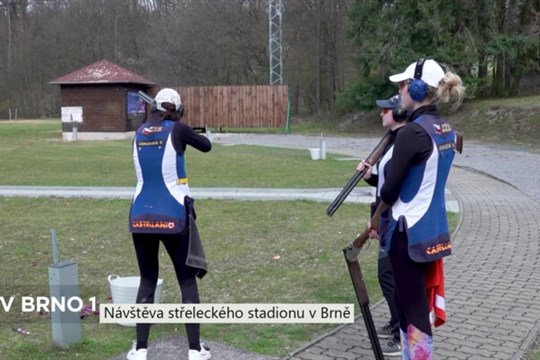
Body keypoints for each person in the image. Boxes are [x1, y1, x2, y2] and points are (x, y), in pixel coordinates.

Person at [370, 58, 465, 359]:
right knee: (408, 301)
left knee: (413, 308)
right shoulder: (446, 128)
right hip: (432, 231)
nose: (400, 90)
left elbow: (388, 190)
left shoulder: (413, 132)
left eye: (403, 84)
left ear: (418, 87)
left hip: (406, 233)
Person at [127, 88, 212, 360]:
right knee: (186, 281)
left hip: (140, 217)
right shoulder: (178, 129)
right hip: (174, 217)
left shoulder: (139, 133)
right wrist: (179, 126)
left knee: (147, 280)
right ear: (176, 109)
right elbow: (206, 145)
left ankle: (140, 349)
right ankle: (195, 349)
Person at [356, 94, 408, 357]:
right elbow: (385, 183)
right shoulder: (391, 141)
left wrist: (376, 217)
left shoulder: (402, 143)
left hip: (395, 220)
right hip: (386, 217)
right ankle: (396, 322)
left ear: (398, 112)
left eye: (386, 110)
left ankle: (402, 334)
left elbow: (395, 188)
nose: (381, 114)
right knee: (387, 276)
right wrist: (370, 176)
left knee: (390, 276)